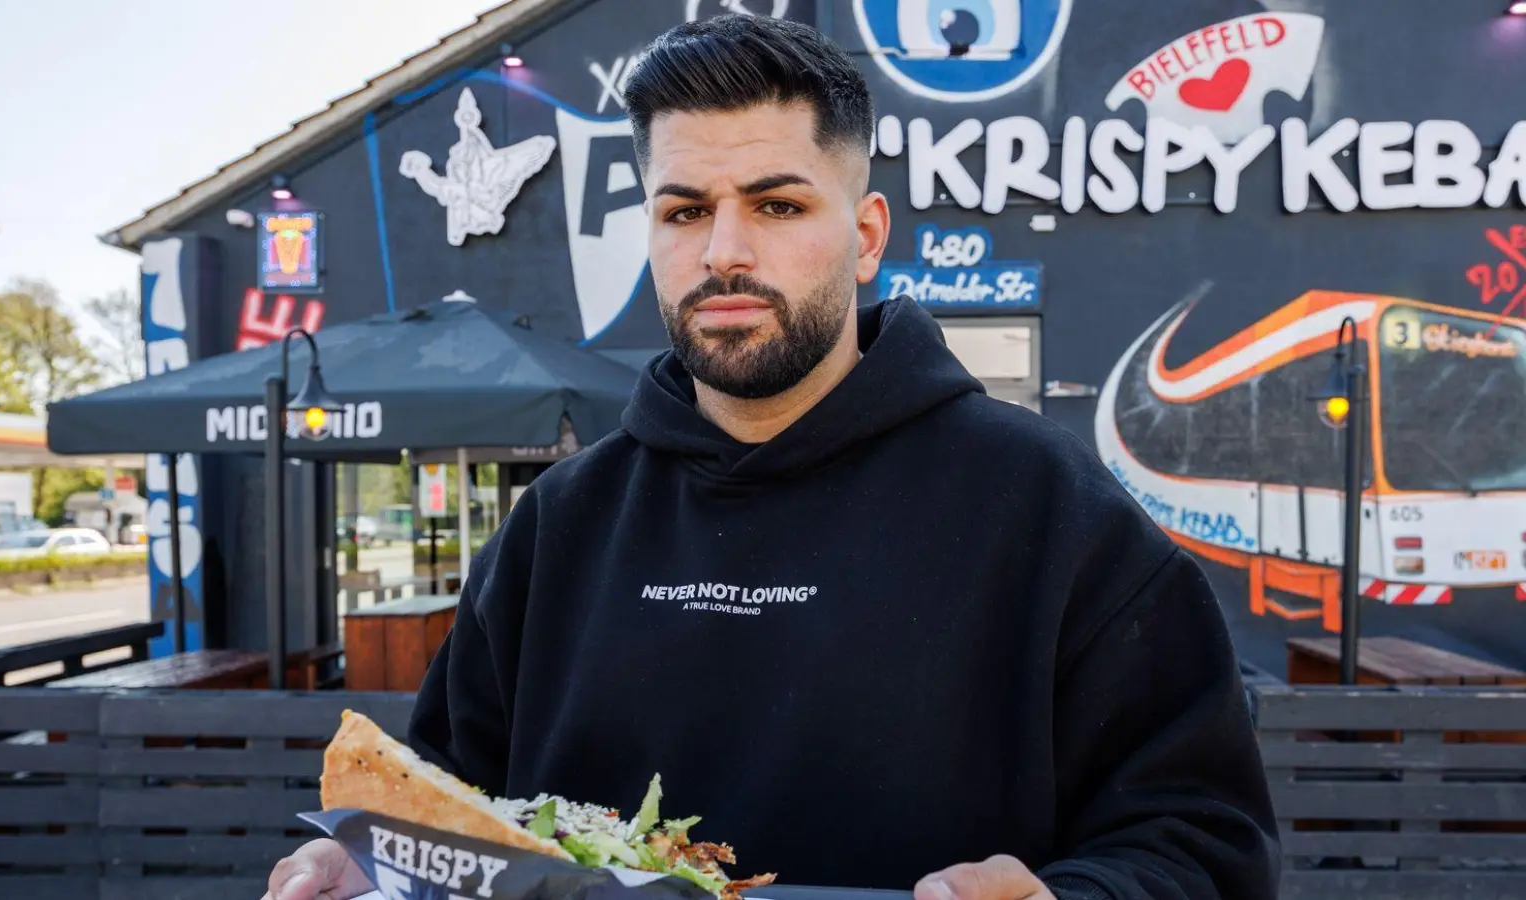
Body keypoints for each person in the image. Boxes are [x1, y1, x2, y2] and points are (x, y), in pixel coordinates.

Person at [266, 14, 1279, 900]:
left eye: (778, 204)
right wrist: (372, 864)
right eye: (685, 210)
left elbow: (1202, 838)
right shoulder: (559, 525)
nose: (724, 254)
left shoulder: (1055, 515)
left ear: (866, 234)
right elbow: (442, 799)